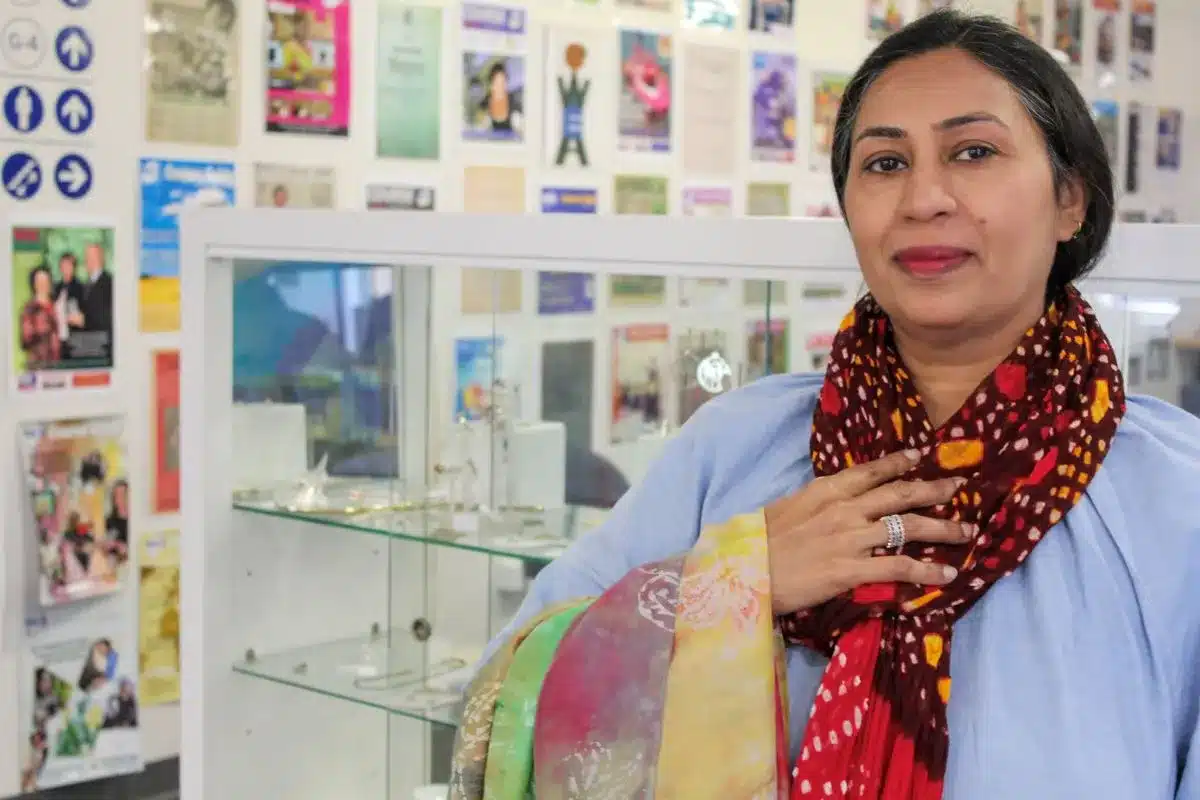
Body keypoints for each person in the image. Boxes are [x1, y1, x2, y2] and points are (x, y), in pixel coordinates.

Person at [452, 10, 1200, 800]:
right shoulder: (736, 449)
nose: (923, 198)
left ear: (1070, 198)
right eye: (884, 163)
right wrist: (740, 582)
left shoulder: (1174, 497)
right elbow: (498, 715)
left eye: (973, 152)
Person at [19, 265, 61, 369]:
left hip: (59, 364)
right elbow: (25, 341)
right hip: (38, 366)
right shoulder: (29, 309)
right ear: (34, 284)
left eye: (46, 280)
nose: (43, 284)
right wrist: (43, 329)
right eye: (39, 281)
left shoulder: (57, 305)